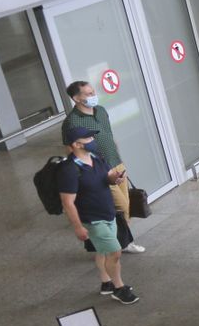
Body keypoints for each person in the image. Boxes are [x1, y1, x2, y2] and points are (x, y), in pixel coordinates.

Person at [56, 125, 138, 304]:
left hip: (108, 213)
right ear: (77, 144)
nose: (92, 141)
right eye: (88, 139)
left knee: (102, 251)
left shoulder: (96, 158)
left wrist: (115, 178)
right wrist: (78, 227)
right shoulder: (69, 170)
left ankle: (106, 283)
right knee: (115, 252)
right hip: (93, 219)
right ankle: (119, 287)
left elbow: (107, 176)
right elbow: (68, 202)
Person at [61, 81, 144, 255]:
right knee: (120, 206)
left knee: (126, 205)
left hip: (116, 163)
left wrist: (118, 157)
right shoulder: (73, 121)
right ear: (76, 98)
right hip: (99, 170)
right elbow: (72, 149)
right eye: (88, 94)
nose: (93, 96)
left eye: (93, 92)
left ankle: (123, 241)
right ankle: (114, 244)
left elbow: (109, 134)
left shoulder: (100, 111)